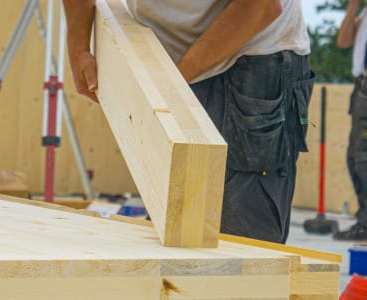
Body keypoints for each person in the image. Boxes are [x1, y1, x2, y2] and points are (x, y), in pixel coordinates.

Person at [63, 0, 314, 244]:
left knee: (240, 244)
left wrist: (172, 86)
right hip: (167, 58)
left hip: (255, 53)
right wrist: (78, 47)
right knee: (172, 221)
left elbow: (260, 6)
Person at [334, 0, 367, 241]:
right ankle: (366, 219)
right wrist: (352, 8)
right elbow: (343, 41)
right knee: (356, 157)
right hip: (362, 86)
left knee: (365, 158)